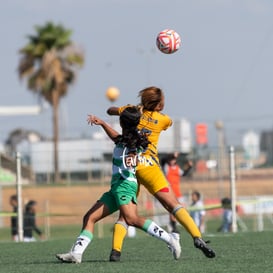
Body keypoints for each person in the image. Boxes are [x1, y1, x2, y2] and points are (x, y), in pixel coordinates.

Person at [56, 106, 181, 264]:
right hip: (116, 188)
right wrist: (102, 123)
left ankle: (170, 239)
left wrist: (133, 158)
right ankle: (76, 254)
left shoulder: (135, 141)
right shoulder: (125, 138)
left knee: (132, 219)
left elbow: (134, 152)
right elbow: (116, 137)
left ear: (122, 122)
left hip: (125, 186)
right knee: (89, 217)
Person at [107, 86, 215, 261]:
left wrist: (123, 110)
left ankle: (115, 251)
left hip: (129, 165)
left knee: (126, 214)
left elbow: (110, 110)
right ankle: (197, 237)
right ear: (158, 105)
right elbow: (166, 122)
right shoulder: (163, 119)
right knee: (174, 204)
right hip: (148, 166)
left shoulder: (131, 111)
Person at [163, 154, 192, 233]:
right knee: (172, 210)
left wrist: (189, 167)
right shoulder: (166, 167)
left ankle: (181, 224)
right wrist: (174, 154)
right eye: (171, 160)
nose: (173, 161)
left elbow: (184, 174)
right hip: (170, 193)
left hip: (177, 192)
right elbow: (162, 162)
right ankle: (173, 227)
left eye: (174, 159)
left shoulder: (177, 168)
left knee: (183, 209)